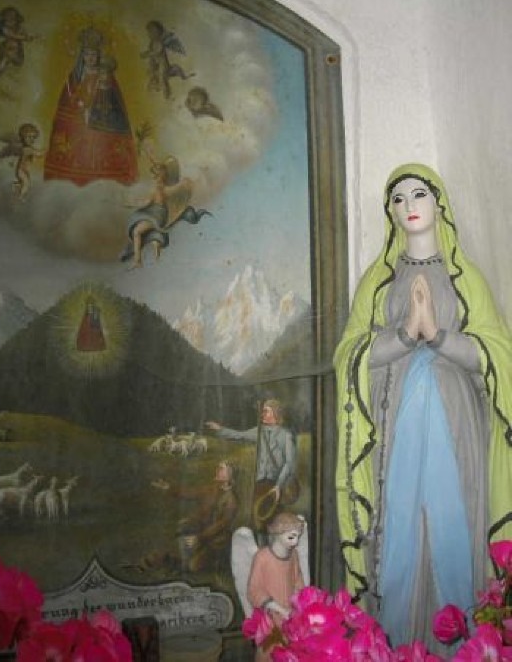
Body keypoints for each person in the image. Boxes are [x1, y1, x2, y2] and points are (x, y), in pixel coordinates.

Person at [334, 163, 512, 650]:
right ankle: (397, 642)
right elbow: (348, 355)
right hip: (394, 427)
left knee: (454, 525)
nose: (409, 205)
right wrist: (402, 335)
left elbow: (496, 355)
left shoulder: (465, 278)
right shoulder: (378, 281)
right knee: (400, 528)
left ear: (439, 204)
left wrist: (437, 335)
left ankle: (463, 643)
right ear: (389, 212)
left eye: (419, 194)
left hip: (457, 425)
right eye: (398, 198)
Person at [44, 26, 138, 186]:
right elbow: (67, 98)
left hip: (101, 119)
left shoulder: (105, 75)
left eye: (93, 54)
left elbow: (113, 100)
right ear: (82, 55)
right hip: (78, 118)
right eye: (87, 54)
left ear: (98, 55)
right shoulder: (75, 75)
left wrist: (98, 106)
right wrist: (77, 104)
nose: (90, 58)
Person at [206, 399, 298, 533]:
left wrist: (278, 486)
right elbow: (239, 435)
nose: (262, 414)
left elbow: (289, 464)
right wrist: (220, 429)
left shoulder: (286, 435)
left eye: (266, 411)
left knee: (274, 521)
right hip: (259, 484)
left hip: (277, 485)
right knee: (257, 521)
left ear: (275, 414)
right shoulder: (258, 432)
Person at [149, 460, 238, 573]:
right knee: (180, 536)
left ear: (229, 475)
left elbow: (220, 526)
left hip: (216, 542)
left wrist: (199, 538)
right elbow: (190, 492)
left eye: (221, 469)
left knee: (193, 566)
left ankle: (215, 561)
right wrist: (168, 488)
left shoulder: (232, 501)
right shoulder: (211, 489)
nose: (217, 470)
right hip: (201, 534)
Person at [247, 512, 305, 661]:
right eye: (291, 537)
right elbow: (254, 589)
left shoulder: (294, 556)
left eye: (298, 537)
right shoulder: (262, 557)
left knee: (290, 651)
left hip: (290, 616)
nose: (296, 542)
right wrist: (278, 609)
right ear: (278, 534)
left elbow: (298, 581)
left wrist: (299, 605)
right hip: (271, 617)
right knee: (269, 651)